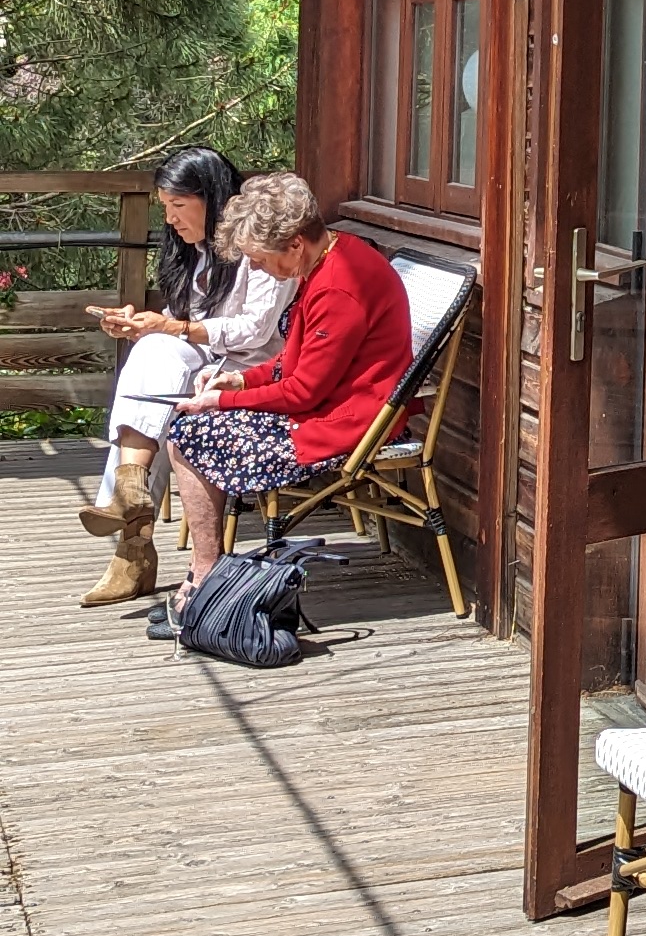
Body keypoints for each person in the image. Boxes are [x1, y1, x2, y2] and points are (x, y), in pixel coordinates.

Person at [162, 175, 411, 628]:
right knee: (190, 429)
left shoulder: (338, 287)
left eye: (260, 259)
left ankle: (204, 580)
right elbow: (294, 363)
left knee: (190, 435)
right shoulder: (333, 254)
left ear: (295, 244)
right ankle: (207, 579)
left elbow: (302, 393)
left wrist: (222, 403)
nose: (257, 269)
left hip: (346, 422)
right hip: (328, 405)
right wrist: (238, 380)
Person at [76, 151, 292, 607]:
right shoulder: (195, 251)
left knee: (159, 400)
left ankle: (132, 550)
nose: (170, 219)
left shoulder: (262, 245)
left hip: (251, 368)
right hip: (206, 359)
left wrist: (173, 328)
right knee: (153, 356)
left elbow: (254, 330)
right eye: (165, 207)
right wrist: (140, 323)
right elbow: (187, 321)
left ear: (211, 199)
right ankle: (131, 490)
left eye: (178, 205)